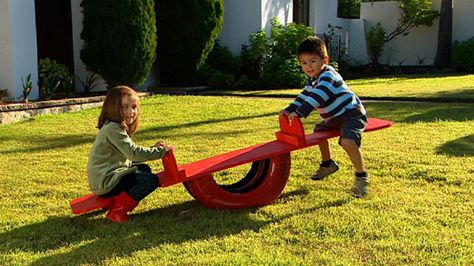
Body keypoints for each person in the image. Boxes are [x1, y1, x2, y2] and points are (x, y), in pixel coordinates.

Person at [281, 36, 369, 198]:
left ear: (325, 59)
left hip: (352, 115)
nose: (308, 66)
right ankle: (328, 164)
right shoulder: (313, 79)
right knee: (318, 133)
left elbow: (318, 96)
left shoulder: (329, 75)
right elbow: (305, 95)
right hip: (334, 119)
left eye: (313, 61)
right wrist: (290, 108)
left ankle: (361, 177)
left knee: (348, 142)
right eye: (304, 63)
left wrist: (300, 113)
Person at [87, 86, 172, 223]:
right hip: (107, 181)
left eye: (133, 107)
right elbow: (133, 153)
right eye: (124, 107)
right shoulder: (113, 129)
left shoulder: (113, 126)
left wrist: (152, 149)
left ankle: (118, 201)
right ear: (113, 108)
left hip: (107, 176)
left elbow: (128, 154)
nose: (130, 112)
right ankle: (118, 211)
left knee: (144, 169)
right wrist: (161, 152)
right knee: (150, 180)